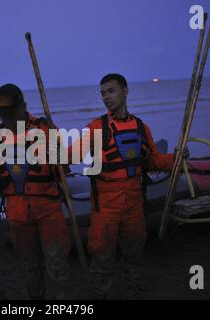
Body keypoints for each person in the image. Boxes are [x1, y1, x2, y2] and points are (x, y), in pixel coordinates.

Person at [69, 73, 182, 299]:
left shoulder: (141, 127)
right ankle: (101, 295)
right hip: (106, 206)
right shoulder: (95, 128)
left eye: (111, 91)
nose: (106, 97)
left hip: (134, 203)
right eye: (103, 93)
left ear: (125, 91)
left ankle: (133, 290)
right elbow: (70, 155)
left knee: (135, 253)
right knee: (102, 255)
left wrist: (176, 159)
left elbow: (153, 161)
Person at [0, 83, 71, 300]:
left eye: (10, 113)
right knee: (29, 266)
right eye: (3, 114)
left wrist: (60, 155)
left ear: (23, 107)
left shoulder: (45, 129)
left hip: (48, 209)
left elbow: (63, 169)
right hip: (17, 213)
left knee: (57, 265)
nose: (6, 119)